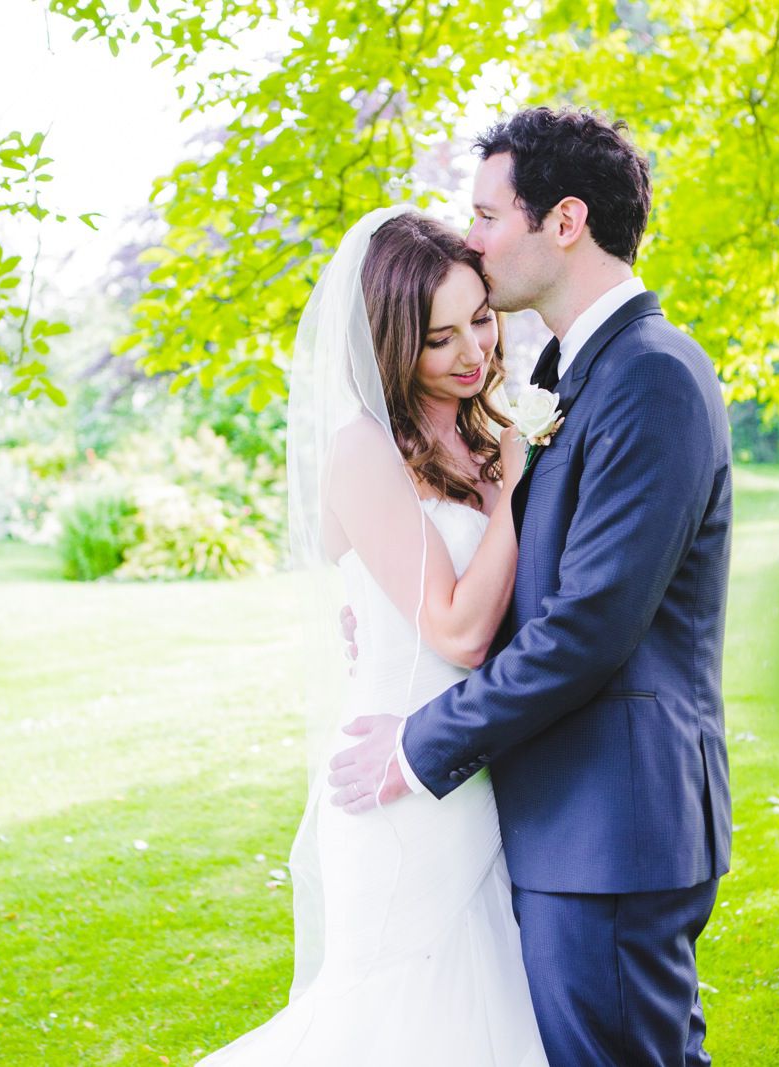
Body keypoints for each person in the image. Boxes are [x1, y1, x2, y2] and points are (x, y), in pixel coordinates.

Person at [329, 107, 735, 1066]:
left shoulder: (652, 374)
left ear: (563, 222)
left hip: (612, 823)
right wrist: (396, 627)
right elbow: (536, 572)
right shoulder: (564, 374)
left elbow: (590, 625)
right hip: (560, 818)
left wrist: (422, 739)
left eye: (486, 215)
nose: (470, 237)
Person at [197, 207, 548, 1065]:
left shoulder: (476, 432)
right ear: (392, 345)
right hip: (395, 787)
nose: (474, 351)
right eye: (440, 338)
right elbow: (461, 631)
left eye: (480, 316)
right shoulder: (365, 449)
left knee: (480, 1008)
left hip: (472, 769)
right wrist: (512, 488)